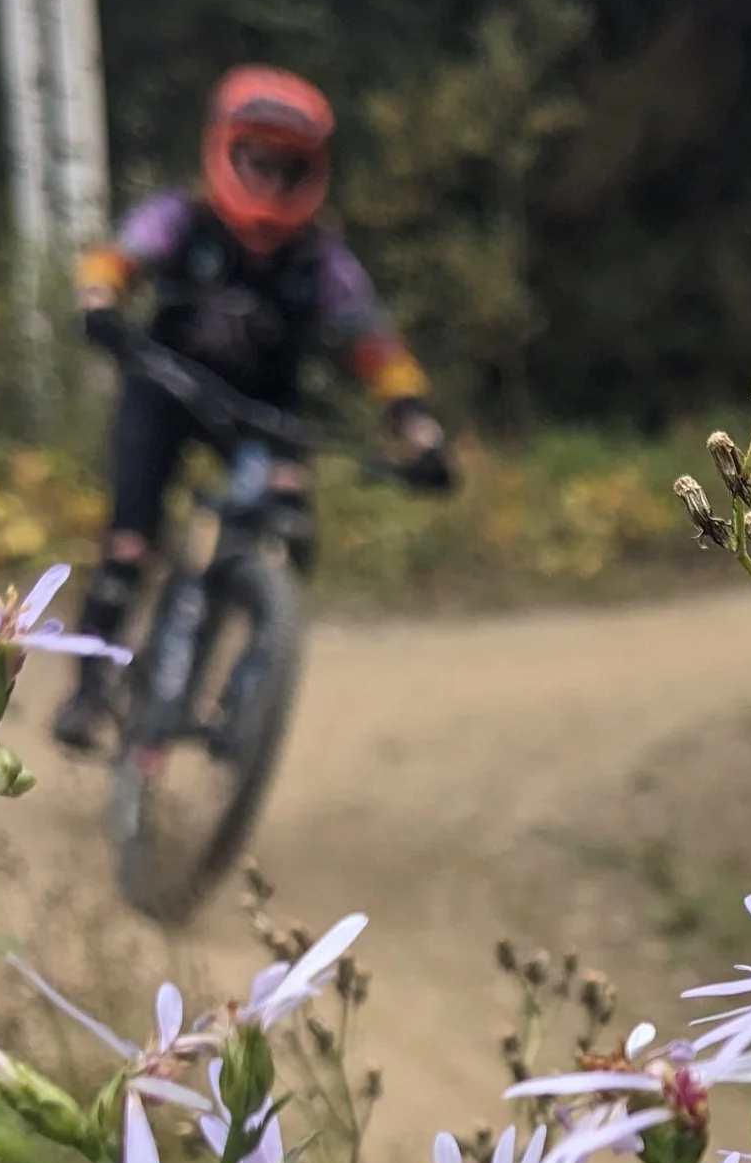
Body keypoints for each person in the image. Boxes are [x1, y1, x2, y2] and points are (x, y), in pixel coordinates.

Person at [54, 67, 453, 751]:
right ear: (226, 152)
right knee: (131, 540)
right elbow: (118, 257)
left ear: (312, 172)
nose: (270, 184)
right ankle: (89, 690)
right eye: (257, 163)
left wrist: (416, 423)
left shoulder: (319, 259)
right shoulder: (183, 218)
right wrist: (100, 302)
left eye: (288, 168)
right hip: (165, 388)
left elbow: (375, 343)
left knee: (290, 526)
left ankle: (246, 698)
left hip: (264, 413)